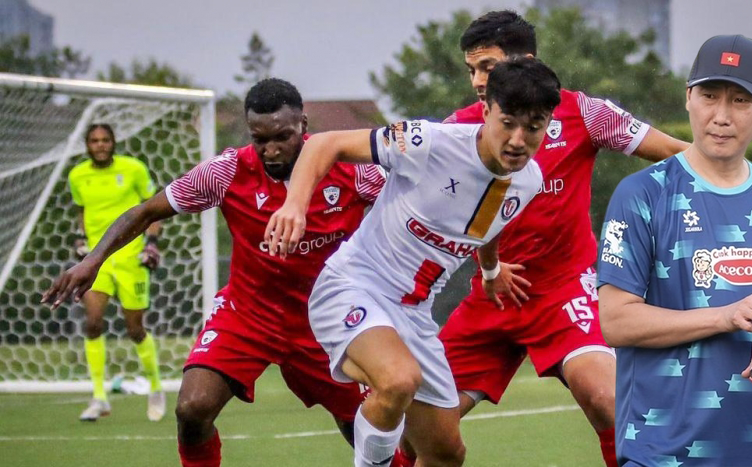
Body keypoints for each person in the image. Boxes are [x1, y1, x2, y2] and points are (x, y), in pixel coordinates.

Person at [44, 78, 386, 467]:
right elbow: (147, 211)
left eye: (283, 137)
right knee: (192, 408)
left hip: (327, 320)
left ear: (303, 125)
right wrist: (92, 260)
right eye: (260, 139)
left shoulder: (351, 170)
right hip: (248, 315)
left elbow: (408, 205)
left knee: (364, 427)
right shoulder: (226, 172)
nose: (271, 149)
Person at [265, 57, 558, 467]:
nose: (518, 140)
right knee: (397, 380)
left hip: (415, 317)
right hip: (353, 286)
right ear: (486, 110)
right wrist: (295, 206)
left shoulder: (528, 181)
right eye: (507, 123)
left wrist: (491, 270)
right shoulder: (428, 142)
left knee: (445, 454)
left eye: (534, 127)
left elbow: (490, 223)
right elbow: (323, 144)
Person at [436, 10, 689, 467]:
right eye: (471, 69)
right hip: (493, 295)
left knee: (607, 399)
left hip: (565, 290)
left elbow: (676, 154)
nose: (477, 81)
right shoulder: (457, 130)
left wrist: (747, 193)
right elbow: (399, 188)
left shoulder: (585, 114)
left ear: (526, 62)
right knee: (420, 431)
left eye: (487, 67)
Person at [598, 34, 752, 466]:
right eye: (709, 96)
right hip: (664, 454)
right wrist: (724, 317)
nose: (722, 116)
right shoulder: (643, 194)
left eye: (740, 101)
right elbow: (616, 320)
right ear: (688, 98)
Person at [67, 123, 165, 422]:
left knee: (135, 329)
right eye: (94, 140)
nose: (100, 145)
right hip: (97, 260)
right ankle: (99, 397)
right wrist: (81, 239)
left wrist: (151, 244)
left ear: (113, 142)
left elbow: (154, 209)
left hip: (131, 259)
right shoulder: (77, 175)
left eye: (105, 140)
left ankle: (156, 388)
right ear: (87, 145)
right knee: (93, 322)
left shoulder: (133, 169)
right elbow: (82, 211)